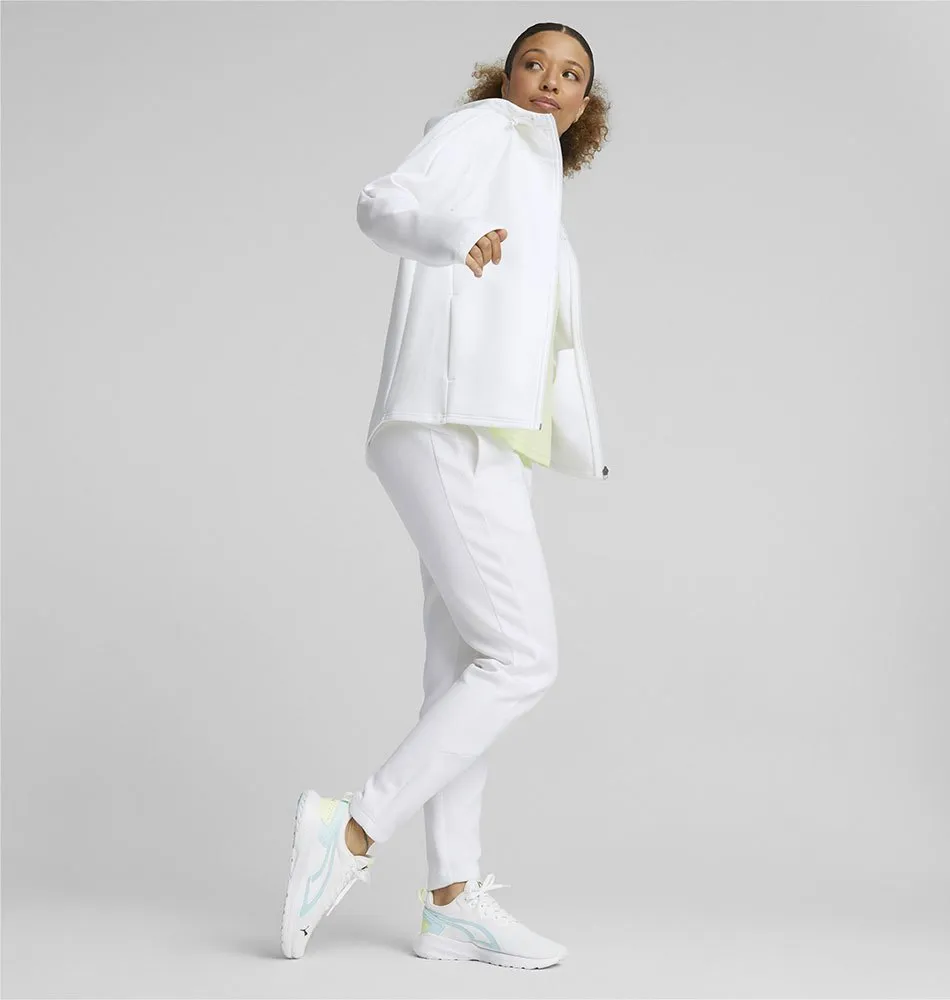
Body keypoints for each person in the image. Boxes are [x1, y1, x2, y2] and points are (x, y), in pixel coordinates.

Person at [280, 22, 610, 970]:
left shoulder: (541, 194)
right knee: (524, 658)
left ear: (586, 107)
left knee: (461, 672)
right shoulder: (483, 133)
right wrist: (452, 234)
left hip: (490, 444)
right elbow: (382, 202)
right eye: (533, 63)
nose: (548, 81)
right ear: (504, 78)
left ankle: (453, 900)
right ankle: (352, 829)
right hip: (445, 424)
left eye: (570, 74)